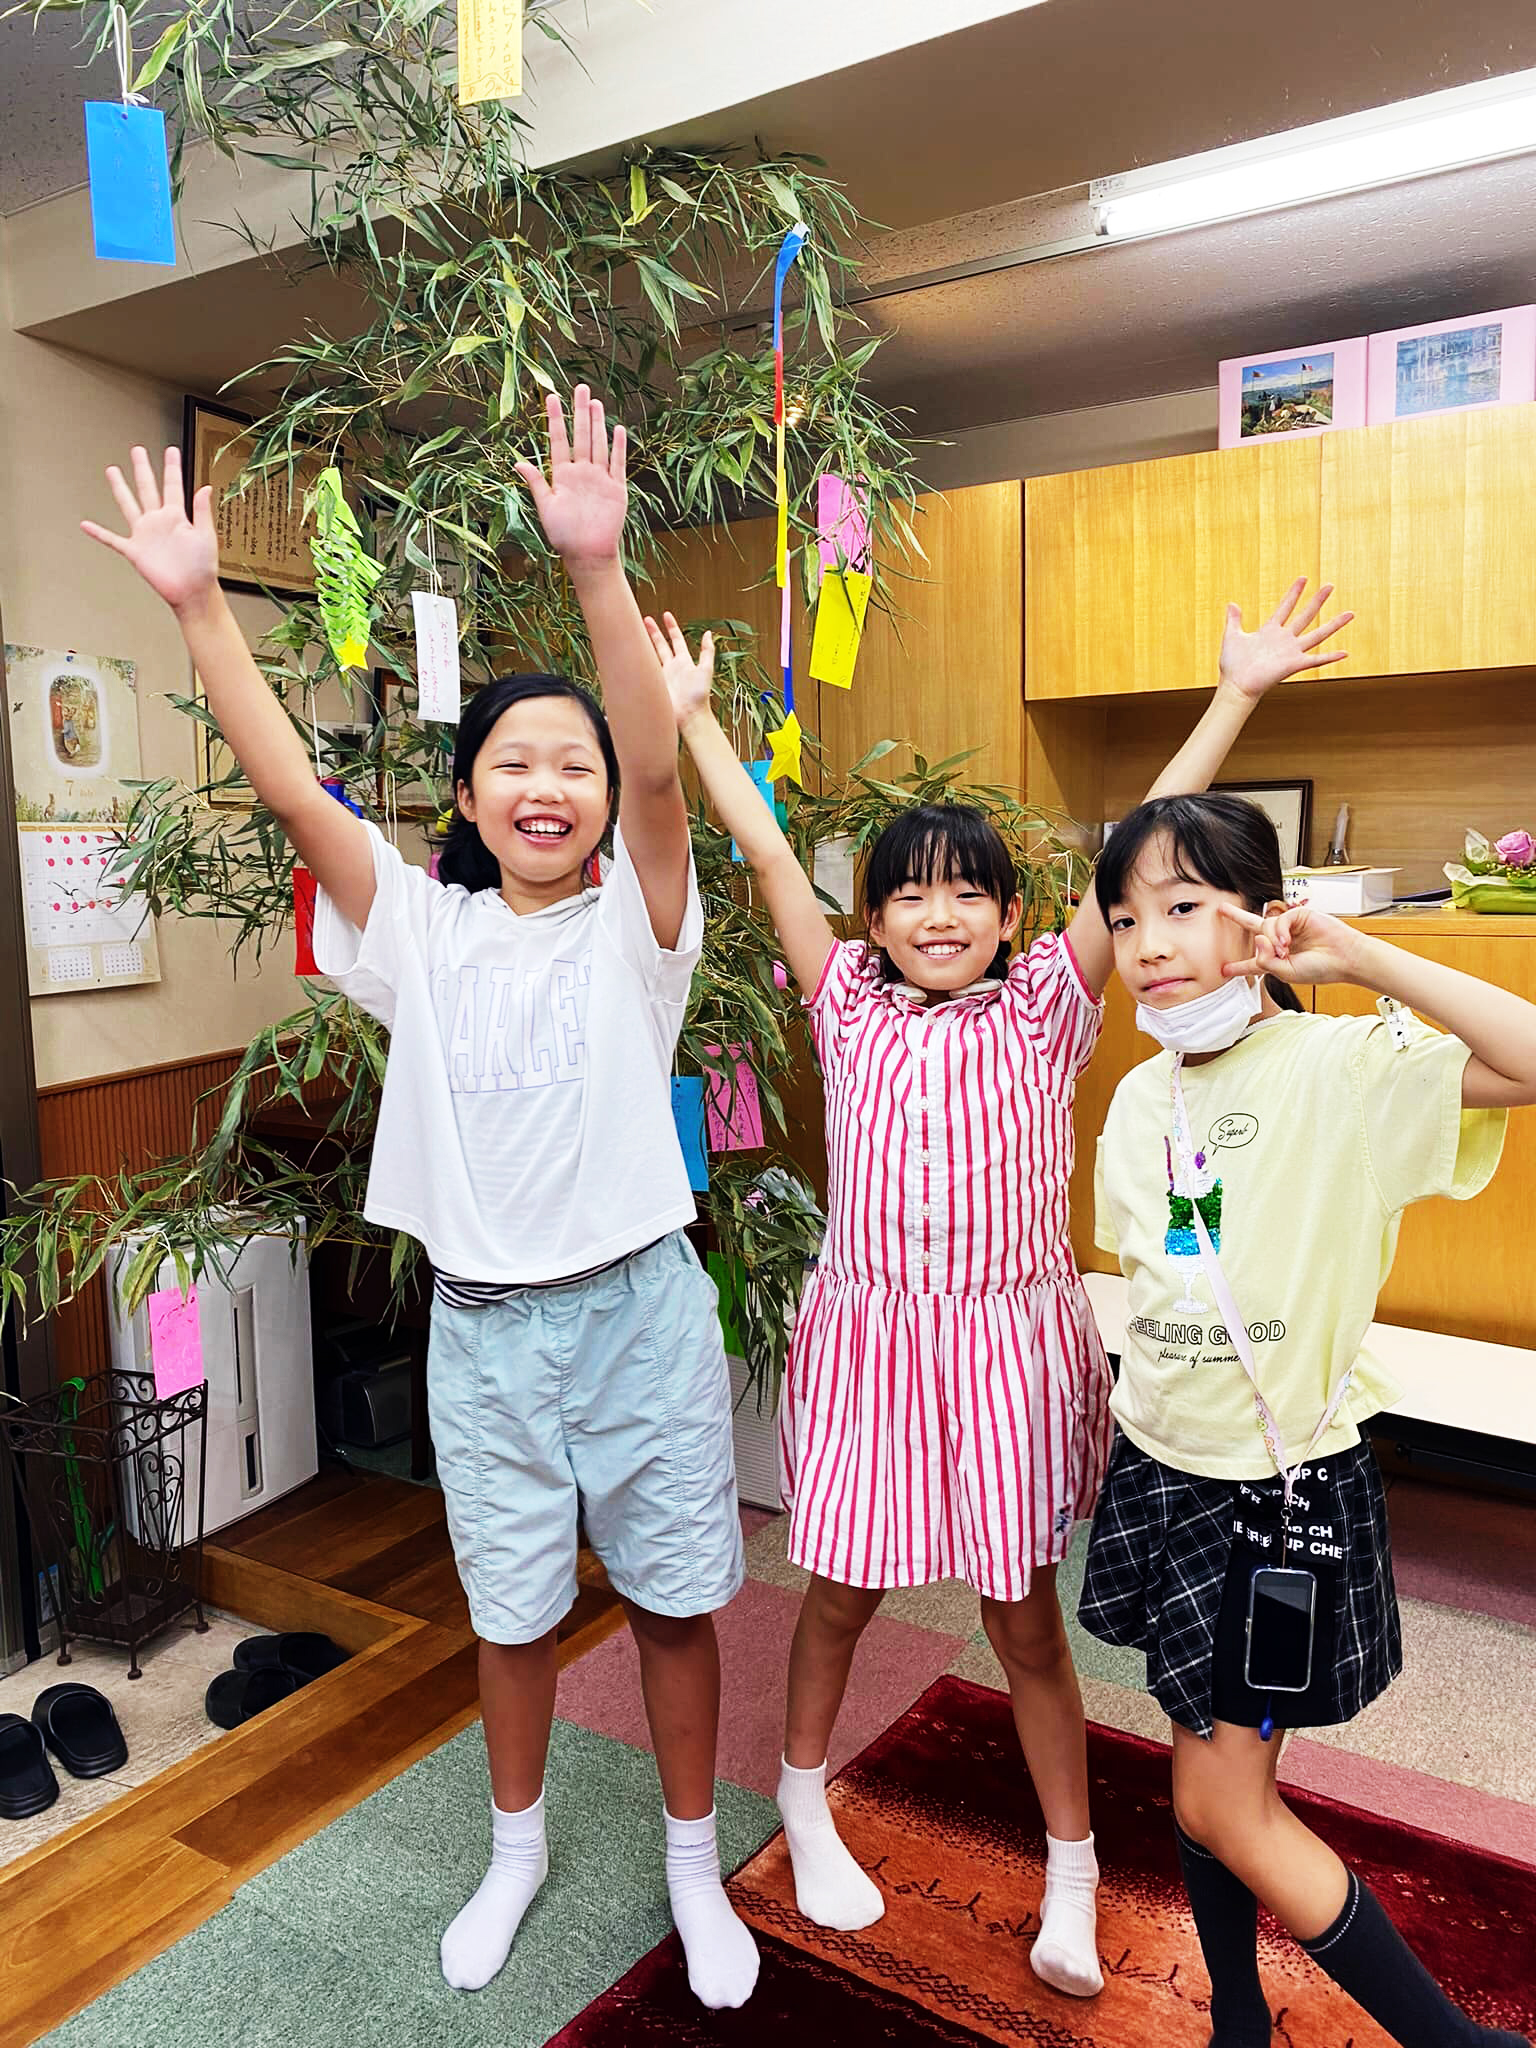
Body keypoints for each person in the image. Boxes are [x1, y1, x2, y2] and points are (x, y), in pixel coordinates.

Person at [81, 394, 760, 2012]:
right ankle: (514, 1846)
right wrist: (192, 605)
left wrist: (597, 573)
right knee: (513, 1613)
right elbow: (293, 789)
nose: (551, 781)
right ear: (463, 800)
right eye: (512, 761)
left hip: (639, 1312)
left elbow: (666, 785)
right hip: (487, 1332)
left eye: (575, 762)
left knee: (672, 1600)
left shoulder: (637, 932)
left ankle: (686, 1857)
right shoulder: (419, 937)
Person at [647, 579, 1349, 1996]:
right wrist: (692, 724)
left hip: (1009, 1346)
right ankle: (797, 1794)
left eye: (968, 891)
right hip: (868, 1342)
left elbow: (1140, 846)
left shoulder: (1049, 1002)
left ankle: (1073, 1873)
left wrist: (1239, 695)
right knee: (837, 1595)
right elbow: (767, 855)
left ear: (1018, 912)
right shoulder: (841, 997)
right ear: (878, 918)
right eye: (910, 893)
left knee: (1024, 1618)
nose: (938, 912)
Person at [1083, 789, 1535, 2047]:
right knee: (1204, 1774)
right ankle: (1238, 2012)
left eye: (1183, 905)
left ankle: (1455, 2043)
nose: (1152, 942)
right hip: (1166, 1473)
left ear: (1259, 912)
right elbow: (1159, 1275)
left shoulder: (1349, 1068)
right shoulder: (1137, 1097)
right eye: (1127, 918)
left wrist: (1361, 957)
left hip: (1277, 1497)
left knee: (1226, 1801)